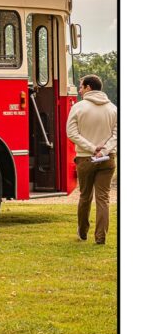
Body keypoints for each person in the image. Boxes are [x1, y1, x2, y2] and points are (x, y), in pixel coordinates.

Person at [66, 74, 118, 245]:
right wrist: (104, 150)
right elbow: (116, 135)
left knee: (85, 196)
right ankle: (101, 237)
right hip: (108, 158)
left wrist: (91, 148)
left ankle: (82, 232)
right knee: (103, 198)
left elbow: (72, 133)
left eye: (81, 87)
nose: (79, 90)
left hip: (84, 158)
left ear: (88, 88)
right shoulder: (113, 108)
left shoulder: (79, 107)